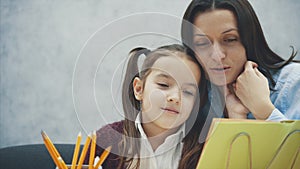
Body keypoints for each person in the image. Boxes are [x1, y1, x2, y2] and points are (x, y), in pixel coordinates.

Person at [85, 44, 208, 169]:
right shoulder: (104, 141)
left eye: (188, 92)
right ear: (139, 89)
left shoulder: (205, 147)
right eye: (164, 85)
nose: (175, 98)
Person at [181, 0, 300, 122]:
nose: (217, 55)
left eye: (230, 39)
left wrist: (263, 110)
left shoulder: (293, 82)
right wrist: (236, 116)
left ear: (251, 39)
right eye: (202, 43)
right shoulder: (194, 97)